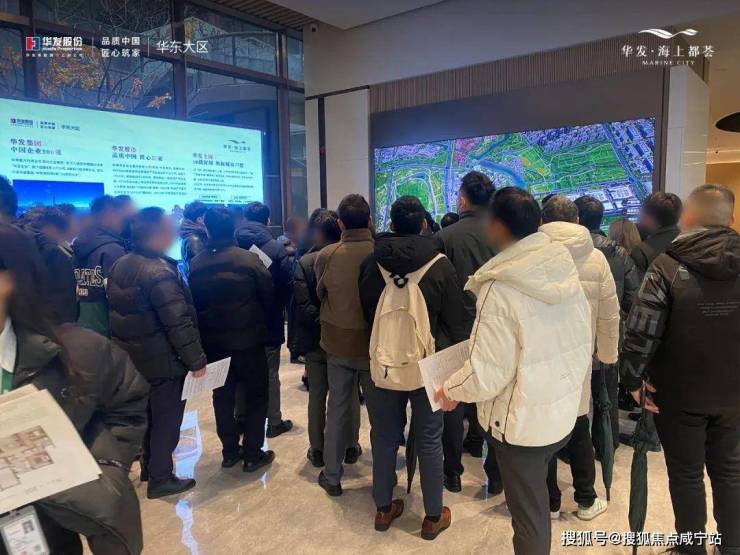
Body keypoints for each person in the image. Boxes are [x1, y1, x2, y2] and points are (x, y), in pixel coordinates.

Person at [434, 187, 593, 554]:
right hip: (559, 409)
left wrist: (451, 389)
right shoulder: (562, 265)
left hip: (522, 424)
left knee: (529, 517)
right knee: (535, 506)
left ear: (497, 226)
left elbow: (487, 373)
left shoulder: (501, 286)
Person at [0, 222, 149, 554]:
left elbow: (126, 403)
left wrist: (106, 469)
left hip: (47, 525)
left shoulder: (78, 353)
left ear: (11, 278)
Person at [622, 184, 739, 555]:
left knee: (686, 475)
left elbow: (642, 330)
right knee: (730, 471)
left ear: (688, 217)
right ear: (730, 219)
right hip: (735, 393)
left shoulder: (667, 265)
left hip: (678, 392)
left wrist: (632, 379)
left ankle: (692, 549)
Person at [359, 196, 467, 540]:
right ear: (423, 224)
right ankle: (433, 516)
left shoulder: (371, 262)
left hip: (384, 363)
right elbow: (456, 320)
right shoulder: (440, 264)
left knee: (384, 435)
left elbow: (366, 312)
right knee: (430, 439)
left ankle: (383, 508)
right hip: (429, 364)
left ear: (391, 224)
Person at [107, 207, 208, 499]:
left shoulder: (121, 264)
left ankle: (150, 467)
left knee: (150, 417)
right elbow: (177, 321)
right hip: (163, 361)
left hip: (135, 359)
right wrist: (196, 360)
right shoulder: (160, 272)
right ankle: (161, 477)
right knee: (167, 420)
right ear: (158, 233)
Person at [540, 196, 619, 521]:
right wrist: (607, 355)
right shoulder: (597, 258)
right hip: (579, 357)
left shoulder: (530, 255)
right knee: (578, 427)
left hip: (540, 357)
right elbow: (610, 313)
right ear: (576, 221)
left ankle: (549, 501)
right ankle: (586, 500)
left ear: (542, 222)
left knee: (543, 431)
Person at [188, 207, 276, 472]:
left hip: (214, 344)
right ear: (234, 227)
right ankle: (252, 453)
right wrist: (271, 334)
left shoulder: (196, 264)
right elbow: (269, 298)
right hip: (250, 341)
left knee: (222, 396)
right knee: (257, 395)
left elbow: (193, 306)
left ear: (207, 229)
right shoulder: (249, 260)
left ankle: (229, 452)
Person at [433, 170, 499, 493]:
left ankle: (452, 472)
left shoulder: (445, 237)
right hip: (493, 327)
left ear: (462, 200)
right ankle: (491, 469)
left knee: (452, 398)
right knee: (491, 393)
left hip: (452, 329)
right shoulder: (502, 235)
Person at [315, 194, 375, 496]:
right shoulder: (381, 252)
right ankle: (383, 479)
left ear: (340, 223)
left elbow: (320, 293)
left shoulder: (327, 255)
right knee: (380, 414)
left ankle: (332, 475)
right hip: (374, 346)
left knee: (337, 408)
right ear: (370, 220)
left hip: (337, 343)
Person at [575, 196, 641, 452]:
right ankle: (606, 446)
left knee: (574, 398)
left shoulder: (566, 250)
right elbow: (632, 299)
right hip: (609, 334)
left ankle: (573, 450)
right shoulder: (619, 253)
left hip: (574, 337)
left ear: (576, 218)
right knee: (607, 396)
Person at [292, 209, 355, 468]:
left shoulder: (305, 262)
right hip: (344, 338)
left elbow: (303, 305)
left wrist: (322, 322)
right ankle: (350, 446)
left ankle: (317, 449)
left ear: (316, 233)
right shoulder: (349, 258)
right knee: (348, 394)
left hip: (315, 339)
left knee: (317, 395)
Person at [235, 201, 294, 437]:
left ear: (244, 218)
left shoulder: (232, 245)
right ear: (268, 221)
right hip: (269, 321)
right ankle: (274, 422)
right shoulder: (276, 249)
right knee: (270, 374)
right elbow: (287, 286)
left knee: (240, 373)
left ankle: (241, 419)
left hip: (237, 324)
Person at [73, 195, 128, 336]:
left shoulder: (77, 245)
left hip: (81, 323)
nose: (123, 222)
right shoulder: (113, 250)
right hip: (108, 328)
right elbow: (121, 298)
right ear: (111, 215)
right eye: (121, 216)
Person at [18, 206, 78, 324]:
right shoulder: (50, 251)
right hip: (46, 325)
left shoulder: (11, 240)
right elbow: (63, 298)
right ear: (51, 228)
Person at [630, 192, 683, 277]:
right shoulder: (691, 241)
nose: (640, 217)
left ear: (652, 220)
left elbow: (637, 284)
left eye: (643, 214)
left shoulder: (642, 253)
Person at [179, 201, 209, 276]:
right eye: (207, 216)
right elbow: (201, 267)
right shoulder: (195, 239)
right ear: (200, 220)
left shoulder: (191, 233)